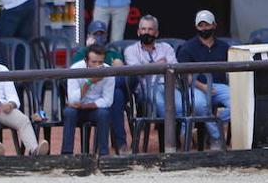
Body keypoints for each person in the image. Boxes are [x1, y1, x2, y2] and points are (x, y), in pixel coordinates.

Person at [122, 14, 181, 152]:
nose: (146, 32)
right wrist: (159, 64)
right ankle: (168, 147)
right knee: (163, 106)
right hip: (145, 89)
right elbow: (139, 72)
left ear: (157, 32)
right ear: (138, 32)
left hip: (168, 86)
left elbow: (175, 68)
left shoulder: (166, 48)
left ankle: (174, 141)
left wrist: (151, 67)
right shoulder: (130, 50)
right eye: (143, 29)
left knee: (180, 106)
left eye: (150, 29)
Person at [176, 9, 231, 150]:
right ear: (196, 27)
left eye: (207, 25)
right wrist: (202, 87)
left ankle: (211, 123)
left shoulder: (225, 47)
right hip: (196, 87)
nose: (204, 28)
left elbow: (232, 71)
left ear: (214, 25)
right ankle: (217, 137)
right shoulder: (187, 48)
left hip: (219, 86)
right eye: (201, 25)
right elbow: (184, 75)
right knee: (200, 105)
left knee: (239, 102)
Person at [76, 19, 129, 154]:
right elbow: (76, 75)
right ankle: (119, 143)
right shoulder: (82, 53)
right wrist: (88, 50)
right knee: (117, 94)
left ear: (106, 36)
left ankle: (119, 145)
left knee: (117, 93)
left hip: (107, 92)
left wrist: (117, 67)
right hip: (88, 95)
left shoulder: (113, 53)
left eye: (102, 34)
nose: (99, 37)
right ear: (89, 36)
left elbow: (121, 74)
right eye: (96, 34)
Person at [61, 44, 115, 155]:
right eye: (94, 62)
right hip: (76, 109)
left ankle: (103, 155)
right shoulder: (75, 69)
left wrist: (85, 106)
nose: (98, 66)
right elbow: (72, 99)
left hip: (94, 108)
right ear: (86, 61)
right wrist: (89, 82)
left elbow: (107, 100)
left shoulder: (108, 71)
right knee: (69, 112)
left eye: (100, 62)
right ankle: (66, 155)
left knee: (104, 114)